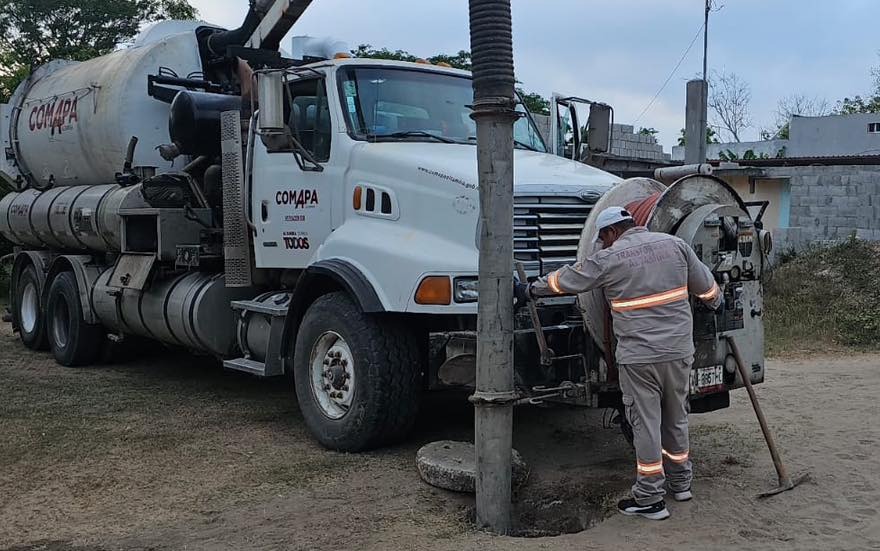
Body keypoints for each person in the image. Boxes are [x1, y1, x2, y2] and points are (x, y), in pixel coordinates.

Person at [515, 206, 722, 521]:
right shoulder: (674, 245)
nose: (604, 244)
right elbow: (707, 287)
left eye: (603, 239)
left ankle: (651, 498)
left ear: (611, 232)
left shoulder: (610, 258)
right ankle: (681, 484)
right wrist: (715, 303)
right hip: (679, 351)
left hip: (640, 357)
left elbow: (567, 280)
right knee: (676, 417)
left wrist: (529, 289)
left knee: (646, 423)